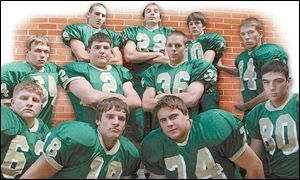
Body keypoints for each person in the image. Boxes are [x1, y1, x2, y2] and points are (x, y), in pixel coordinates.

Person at [141, 95, 265, 179]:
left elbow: (254, 165)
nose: (169, 123)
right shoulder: (153, 144)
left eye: (173, 116)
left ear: (186, 114)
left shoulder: (213, 125)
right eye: (163, 120)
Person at [20, 97, 140, 179]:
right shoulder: (78, 137)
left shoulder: (129, 153)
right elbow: (33, 176)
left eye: (121, 119)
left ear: (124, 125)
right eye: (110, 116)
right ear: (98, 120)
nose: (116, 122)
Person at [59, 32, 141, 125]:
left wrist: (97, 104)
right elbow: (90, 97)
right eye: (97, 47)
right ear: (88, 51)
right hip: (87, 128)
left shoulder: (121, 71)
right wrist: (120, 97)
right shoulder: (75, 69)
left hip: (116, 129)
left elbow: (136, 101)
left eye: (106, 48)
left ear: (111, 52)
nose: (102, 51)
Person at [142, 30, 217, 128]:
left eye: (178, 45)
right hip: (161, 128)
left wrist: (162, 96)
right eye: (169, 45)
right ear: (165, 47)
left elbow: (191, 99)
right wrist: (181, 97)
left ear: (186, 47)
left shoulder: (198, 66)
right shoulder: (153, 70)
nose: (173, 49)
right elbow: (147, 104)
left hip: (189, 127)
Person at [122, 2, 174, 141]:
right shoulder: (133, 31)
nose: (152, 13)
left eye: (156, 11)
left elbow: (170, 60)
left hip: (161, 82)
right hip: (138, 81)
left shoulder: (168, 33)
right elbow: (129, 56)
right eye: (148, 11)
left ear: (160, 18)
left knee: (161, 119)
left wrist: (141, 56)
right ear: (143, 17)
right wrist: (157, 54)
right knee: (138, 123)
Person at [217, 17, 288, 117]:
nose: (246, 37)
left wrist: (246, 106)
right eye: (243, 34)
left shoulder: (268, 52)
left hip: (269, 110)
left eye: (251, 32)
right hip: (251, 112)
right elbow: (241, 71)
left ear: (260, 34)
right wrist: (221, 66)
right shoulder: (241, 57)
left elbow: (275, 88)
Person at [246, 60, 299, 179]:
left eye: (278, 81)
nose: (272, 87)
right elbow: (255, 156)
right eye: (266, 82)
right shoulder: (257, 113)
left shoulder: (296, 104)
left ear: (288, 81)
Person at [1, 34, 61, 127]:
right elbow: (5, 107)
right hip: (18, 129)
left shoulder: (53, 69)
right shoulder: (13, 71)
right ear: (27, 52)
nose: (42, 55)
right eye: (38, 50)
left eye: (46, 52)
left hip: (43, 128)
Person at [1, 81, 50, 179]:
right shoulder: (5, 117)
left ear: (41, 106)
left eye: (35, 100)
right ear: (12, 103)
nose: (29, 103)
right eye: (24, 98)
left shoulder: (45, 130)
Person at [186, 11, 226, 111]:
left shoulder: (209, 39)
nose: (194, 26)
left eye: (197, 23)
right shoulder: (186, 45)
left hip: (207, 86)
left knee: (209, 118)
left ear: (204, 26)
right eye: (191, 24)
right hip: (191, 86)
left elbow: (205, 64)